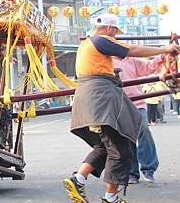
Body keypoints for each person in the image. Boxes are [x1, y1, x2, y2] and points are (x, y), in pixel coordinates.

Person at [63, 14, 179, 203]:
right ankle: (110, 197)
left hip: (90, 100)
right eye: (115, 32)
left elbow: (143, 62)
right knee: (120, 149)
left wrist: (162, 56)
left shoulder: (87, 45)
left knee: (104, 146)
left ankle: (79, 179)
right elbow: (132, 49)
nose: (116, 36)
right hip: (102, 100)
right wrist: (166, 48)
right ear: (110, 29)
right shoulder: (101, 41)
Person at [114, 57, 164, 184]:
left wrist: (162, 56)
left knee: (144, 130)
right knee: (127, 137)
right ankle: (132, 172)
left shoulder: (130, 59)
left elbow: (149, 66)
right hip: (118, 105)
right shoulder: (105, 60)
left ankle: (148, 168)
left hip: (137, 103)